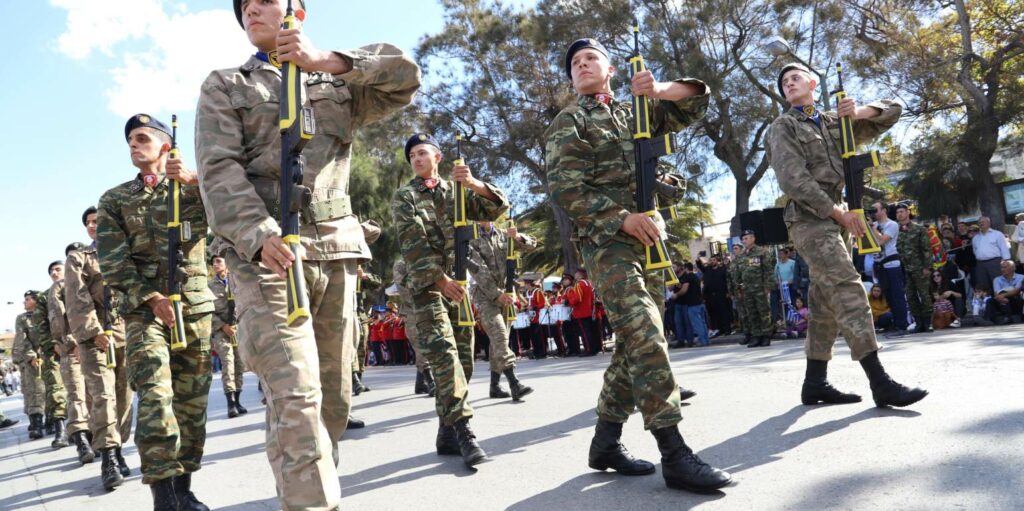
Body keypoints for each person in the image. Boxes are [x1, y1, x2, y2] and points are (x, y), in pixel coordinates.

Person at [194, 1, 420, 507]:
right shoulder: (226, 84)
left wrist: (326, 61)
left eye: (265, 1)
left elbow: (404, 77)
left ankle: (312, 489)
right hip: (267, 255)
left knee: (334, 400)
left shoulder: (336, 80)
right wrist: (258, 234)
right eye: (244, 6)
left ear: (297, 11)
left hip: (336, 250)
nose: (252, 9)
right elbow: (217, 169)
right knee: (296, 396)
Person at [546, 37, 730, 493]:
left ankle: (605, 443)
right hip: (609, 243)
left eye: (591, 58)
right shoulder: (570, 121)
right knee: (646, 333)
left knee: (633, 344)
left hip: (650, 241)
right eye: (575, 63)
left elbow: (695, 105)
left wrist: (661, 89)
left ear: (610, 70)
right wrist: (620, 217)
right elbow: (566, 189)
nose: (582, 65)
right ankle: (674, 452)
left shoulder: (637, 113)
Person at [768, 62, 927, 408]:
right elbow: (793, 180)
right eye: (784, 82)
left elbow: (893, 111)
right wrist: (837, 212)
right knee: (846, 286)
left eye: (795, 78)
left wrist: (859, 112)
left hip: (840, 219)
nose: (789, 84)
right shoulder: (783, 126)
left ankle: (815, 383)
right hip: (810, 219)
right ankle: (880, 381)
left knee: (824, 302)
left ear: (812, 83)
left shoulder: (835, 122)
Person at [98, 113, 214, 510]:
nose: (133, 144)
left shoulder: (196, 189)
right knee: (155, 397)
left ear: (166, 145)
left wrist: (196, 183)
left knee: (191, 404)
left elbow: (232, 216)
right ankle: (163, 499)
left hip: (194, 308)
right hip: (144, 312)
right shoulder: (114, 200)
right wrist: (152, 299)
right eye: (130, 140)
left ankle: (184, 491)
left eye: (142, 138)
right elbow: (114, 263)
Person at [392, 132, 508, 467]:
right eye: (412, 155)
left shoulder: (456, 192)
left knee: (464, 361)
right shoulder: (405, 197)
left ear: (438, 157)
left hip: (458, 286)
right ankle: (464, 431)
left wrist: (473, 184)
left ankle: (445, 430)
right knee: (444, 357)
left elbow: (497, 208)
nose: (416, 159)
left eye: (422, 152)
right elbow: (412, 245)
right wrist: (441, 280)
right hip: (427, 286)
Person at [65, 206, 135, 489]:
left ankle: (119, 448)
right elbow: (76, 298)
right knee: (103, 396)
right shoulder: (78, 257)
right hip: (95, 337)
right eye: (89, 223)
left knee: (124, 396)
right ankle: (108, 459)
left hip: (125, 332)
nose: (93, 226)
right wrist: (94, 332)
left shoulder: (123, 250)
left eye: (98, 221)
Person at [467, 220, 535, 400]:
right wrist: (496, 294)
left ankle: (494, 385)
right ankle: (514, 383)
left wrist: (518, 237)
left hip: (507, 294)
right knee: (499, 336)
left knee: (498, 341)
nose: (484, 217)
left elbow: (532, 245)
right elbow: (479, 271)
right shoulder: (471, 239)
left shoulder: (504, 234)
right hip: (485, 296)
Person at [31, 261, 72, 450]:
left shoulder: (79, 287)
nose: (54, 273)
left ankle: (84, 431)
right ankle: (60, 430)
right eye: (51, 271)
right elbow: (40, 326)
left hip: (82, 345)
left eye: (57, 269)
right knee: (56, 389)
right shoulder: (43, 297)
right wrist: (53, 344)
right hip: (55, 350)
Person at [208, 255, 247, 419]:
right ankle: (230, 404)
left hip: (238, 329)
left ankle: (237, 401)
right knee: (228, 363)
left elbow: (245, 301)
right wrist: (223, 326)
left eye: (219, 261)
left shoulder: (236, 280)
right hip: (220, 331)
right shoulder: (209, 286)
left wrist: (238, 324)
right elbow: (208, 311)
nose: (215, 264)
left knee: (239, 365)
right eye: (213, 262)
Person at [894, 202, 935, 333]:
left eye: (902, 211)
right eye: (897, 212)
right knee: (910, 296)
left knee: (924, 294)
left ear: (908, 212)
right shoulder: (897, 230)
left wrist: (927, 267)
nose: (899, 214)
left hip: (919, 268)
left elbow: (927, 249)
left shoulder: (919, 229)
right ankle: (918, 323)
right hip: (906, 269)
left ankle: (928, 323)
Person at [871, 201, 910, 334]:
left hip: (892, 264)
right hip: (879, 264)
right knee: (887, 296)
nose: (874, 213)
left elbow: (882, 240)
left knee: (897, 294)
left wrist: (872, 228)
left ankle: (902, 325)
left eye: (876, 210)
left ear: (884, 210)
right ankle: (894, 323)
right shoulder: (873, 225)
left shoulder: (891, 224)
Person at [12, 291, 46, 440]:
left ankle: (52, 421)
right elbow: (22, 339)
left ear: (36, 301)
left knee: (52, 390)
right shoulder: (22, 318)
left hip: (49, 356)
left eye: (27, 299)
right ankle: (36, 424)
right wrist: (31, 356)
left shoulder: (46, 314)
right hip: (31, 360)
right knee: (33, 391)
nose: (24, 302)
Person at [734, 230, 776, 348]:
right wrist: (738, 288)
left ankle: (766, 335)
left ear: (753, 238)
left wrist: (768, 286)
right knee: (752, 313)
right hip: (747, 289)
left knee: (764, 312)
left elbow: (768, 271)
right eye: (743, 239)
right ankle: (756, 336)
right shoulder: (742, 255)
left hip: (760, 288)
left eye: (746, 238)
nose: (744, 241)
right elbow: (738, 273)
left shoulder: (761, 252)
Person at [972, 216, 1011, 293]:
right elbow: (975, 251)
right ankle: (989, 300)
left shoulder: (997, 234)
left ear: (989, 223)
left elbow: (1004, 248)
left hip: (994, 262)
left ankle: (1002, 299)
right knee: (983, 285)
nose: (981, 223)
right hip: (980, 264)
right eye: (979, 222)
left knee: (998, 284)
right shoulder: (975, 238)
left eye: (983, 222)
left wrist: (1006, 262)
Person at [678, 263, 710, 346]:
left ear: (686, 268)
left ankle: (702, 341)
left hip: (692, 304)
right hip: (700, 302)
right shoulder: (696, 276)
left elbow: (684, 290)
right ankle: (706, 340)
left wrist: (676, 295)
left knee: (697, 324)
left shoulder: (688, 277)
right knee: (703, 323)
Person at [991, 260, 1024, 324]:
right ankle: (987, 319)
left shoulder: (1021, 277)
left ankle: (1008, 317)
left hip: (1015, 298)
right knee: (989, 301)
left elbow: (1016, 291)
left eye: (1005, 267)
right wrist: (1001, 297)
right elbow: (996, 293)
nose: (1002, 269)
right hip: (1002, 299)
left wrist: (1002, 295)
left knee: (1015, 297)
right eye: (1001, 267)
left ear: (1013, 268)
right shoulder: (997, 279)